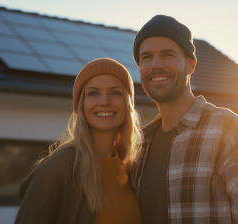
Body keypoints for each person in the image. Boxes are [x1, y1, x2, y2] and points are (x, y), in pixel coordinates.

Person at [130, 15, 238, 224]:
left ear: (191, 65)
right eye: (146, 57)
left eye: (167, 54)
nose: (155, 64)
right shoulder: (138, 146)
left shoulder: (229, 132)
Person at [15, 58, 143, 224]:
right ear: (80, 106)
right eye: (93, 93)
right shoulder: (59, 168)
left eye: (115, 92)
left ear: (128, 104)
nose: (104, 101)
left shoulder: (132, 169)